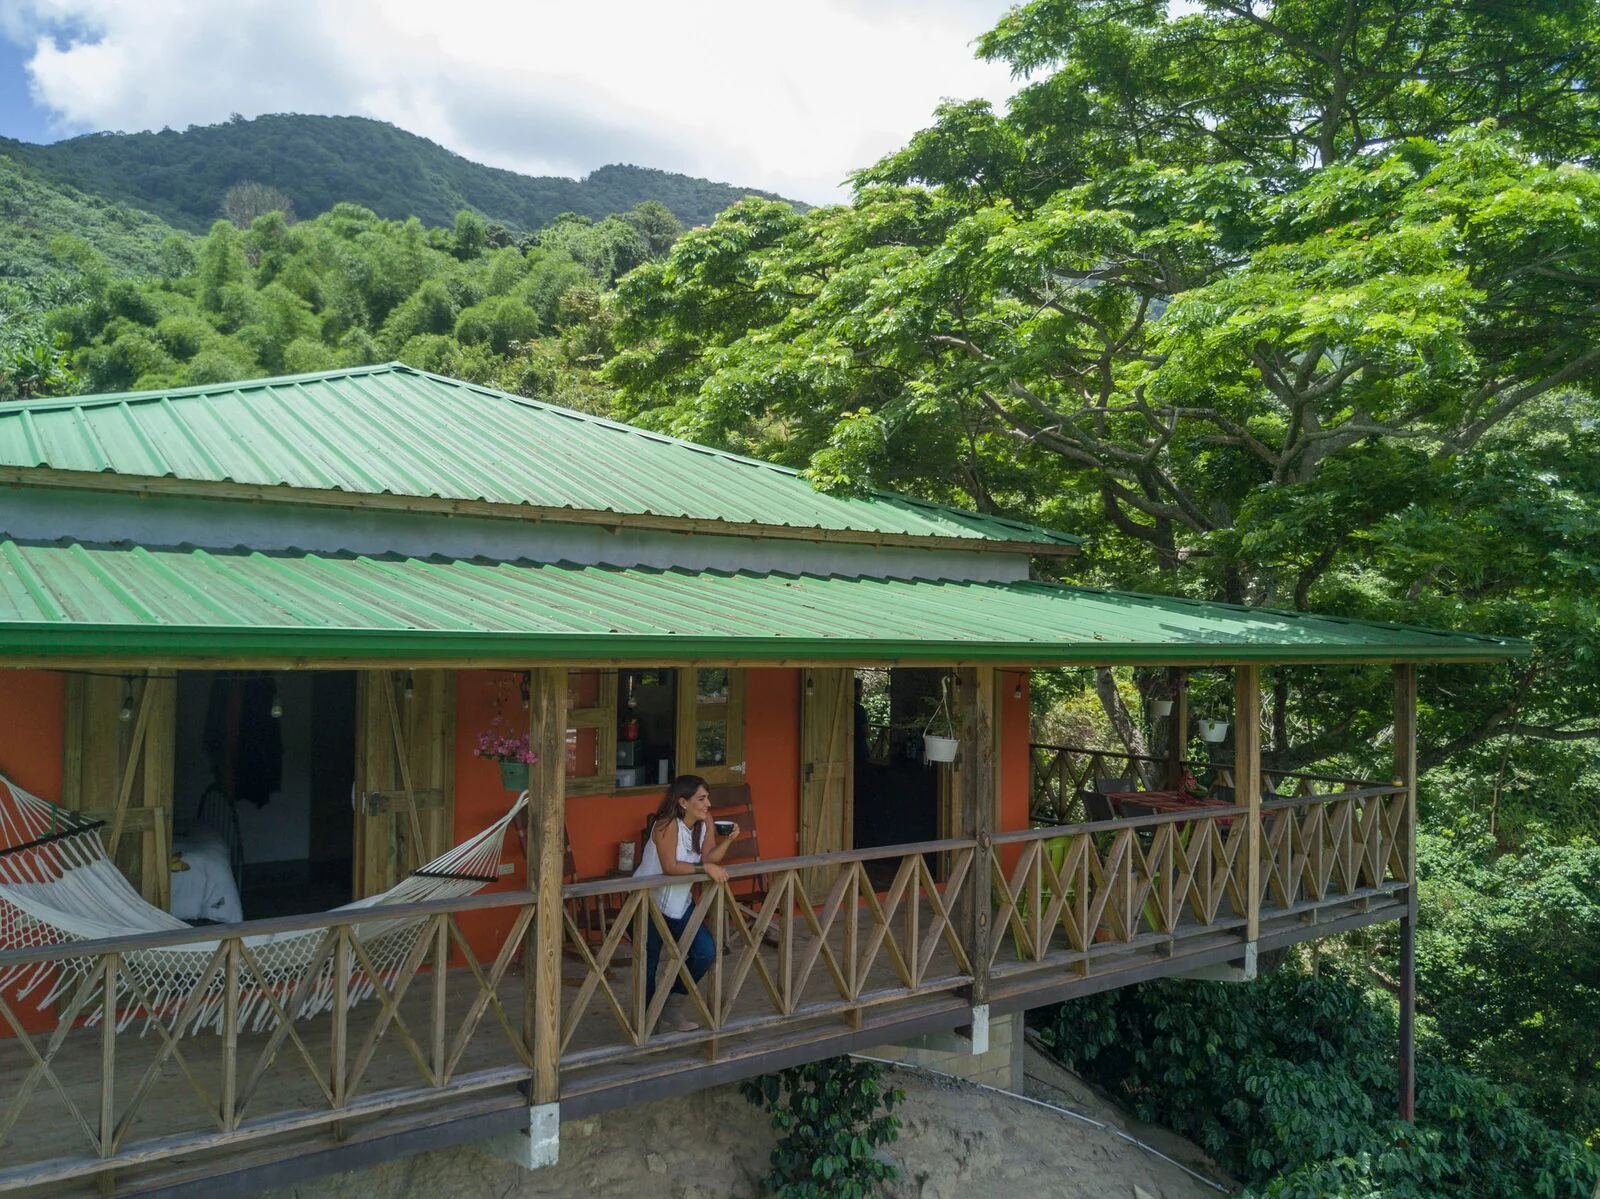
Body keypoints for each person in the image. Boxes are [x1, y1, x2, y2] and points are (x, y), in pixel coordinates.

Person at [632, 774, 741, 1031]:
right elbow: (670, 867)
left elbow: (710, 858)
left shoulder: (705, 822)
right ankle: (646, 1023)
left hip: (680, 903)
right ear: (683, 802)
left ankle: (669, 1007)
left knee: (705, 952)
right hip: (648, 902)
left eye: (707, 798)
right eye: (701, 799)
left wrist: (728, 841)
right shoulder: (664, 825)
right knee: (648, 963)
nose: (708, 804)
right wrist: (705, 867)